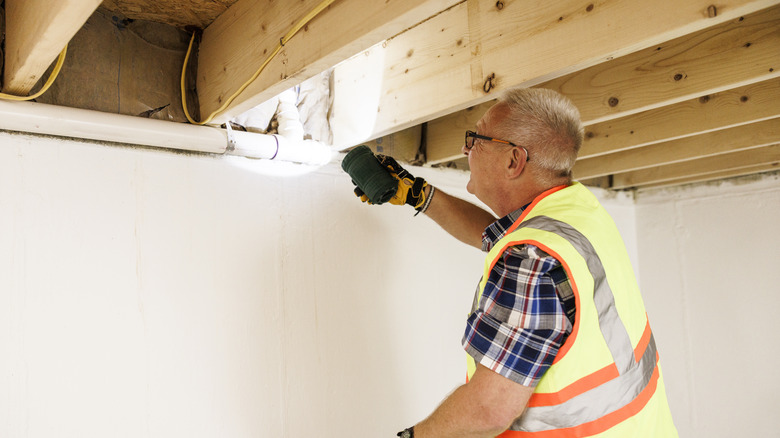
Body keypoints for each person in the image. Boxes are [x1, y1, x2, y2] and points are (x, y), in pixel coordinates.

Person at [350, 87, 677, 437]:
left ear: (513, 160)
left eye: (475, 139)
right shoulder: (576, 212)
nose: (465, 148)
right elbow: (498, 237)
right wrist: (419, 194)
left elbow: (489, 411)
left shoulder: (532, 258)